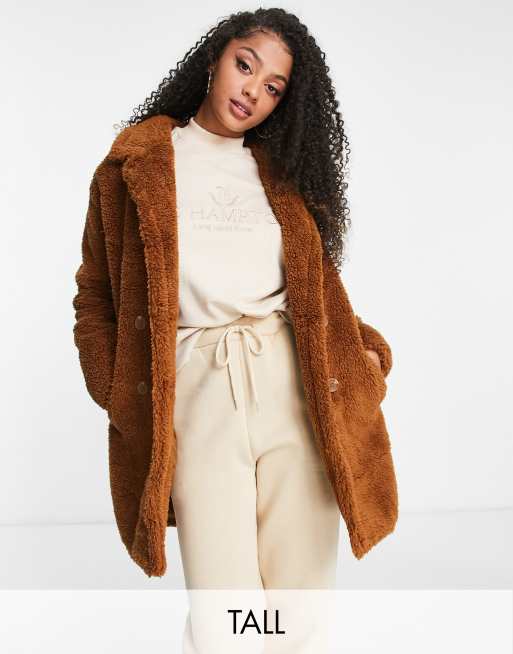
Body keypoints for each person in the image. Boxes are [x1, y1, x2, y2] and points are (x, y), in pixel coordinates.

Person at [73, 7, 398, 622]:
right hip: (196, 391)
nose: (252, 91)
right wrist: (116, 388)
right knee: (224, 612)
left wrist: (366, 357)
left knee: (300, 606)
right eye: (244, 66)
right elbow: (95, 293)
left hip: (294, 388)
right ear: (214, 59)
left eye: (273, 87)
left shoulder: (283, 176)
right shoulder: (135, 165)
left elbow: (318, 292)